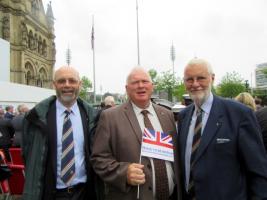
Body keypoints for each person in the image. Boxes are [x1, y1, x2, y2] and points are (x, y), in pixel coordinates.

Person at [175, 58, 267, 200]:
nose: (195, 84)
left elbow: (259, 172)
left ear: (212, 78)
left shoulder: (239, 114)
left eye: (201, 78)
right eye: (189, 79)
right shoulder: (183, 117)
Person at [91, 67, 181, 200]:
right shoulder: (110, 117)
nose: (140, 86)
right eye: (135, 82)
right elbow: (98, 159)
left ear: (152, 86)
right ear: (127, 89)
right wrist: (124, 173)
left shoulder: (167, 114)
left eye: (145, 81)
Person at [22, 66, 97, 200]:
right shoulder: (35, 118)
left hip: (85, 192)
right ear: (54, 84)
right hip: (51, 193)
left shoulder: (93, 117)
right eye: (62, 81)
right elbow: (27, 156)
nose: (67, 85)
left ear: (80, 84)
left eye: (72, 81)